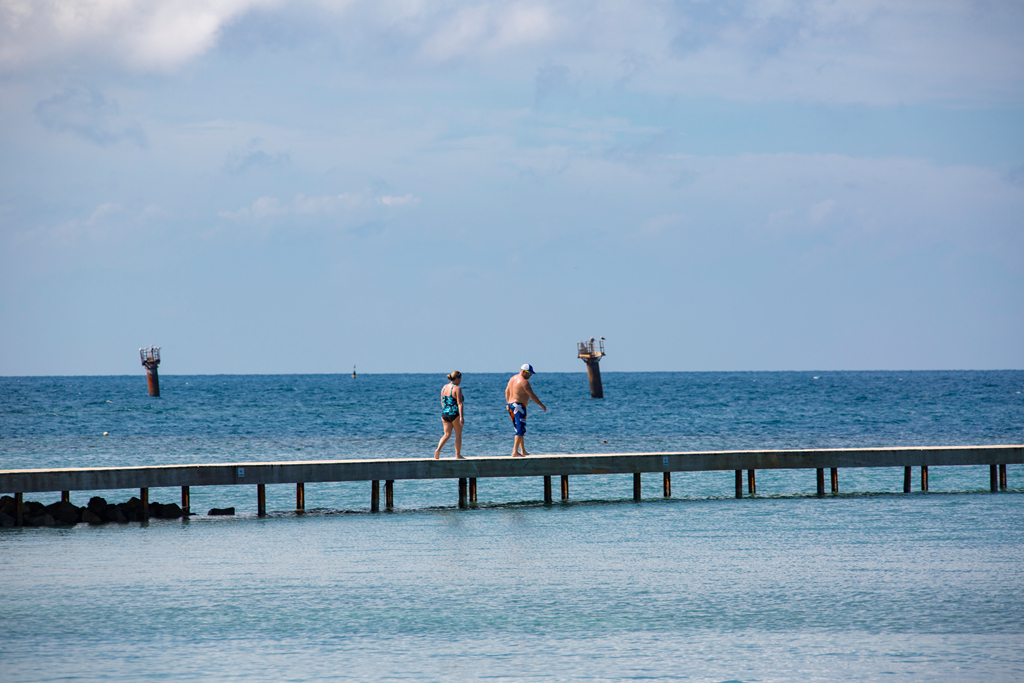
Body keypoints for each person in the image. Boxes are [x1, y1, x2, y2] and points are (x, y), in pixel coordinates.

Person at [505, 364, 546, 457]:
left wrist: (508, 403)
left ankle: (523, 451)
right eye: (529, 373)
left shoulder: (512, 378)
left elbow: (506, 390)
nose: (530, 376)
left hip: (511, 406)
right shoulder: (524, 382)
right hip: (518, 407)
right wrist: (541, 405)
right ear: (523, 372)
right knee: (520, 429)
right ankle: (515, 452)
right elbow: (532, 396)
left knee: (519, 428)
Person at [434, 371, 465, 459]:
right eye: (460, 379)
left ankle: (438, 450)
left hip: (445, 413)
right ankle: (458, 455)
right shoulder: (457, 389)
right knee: (458, 435)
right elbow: (460, 403)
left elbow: (442, 401)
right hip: (454, 414)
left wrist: (445, 411)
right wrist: (461, 417)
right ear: (457, 378)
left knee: (446, 435)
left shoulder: (444, 388)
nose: (460, 381)